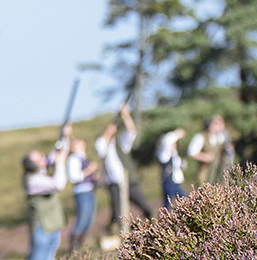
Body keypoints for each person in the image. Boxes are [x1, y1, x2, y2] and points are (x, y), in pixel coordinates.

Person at [19, 133, 69, 260]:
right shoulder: (33, 180)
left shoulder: (39, 173)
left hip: (52, 226)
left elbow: (58, 154)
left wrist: (64, 137)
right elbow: (58, 184)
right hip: (42, 229)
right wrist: (60, 164)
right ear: (32, 165)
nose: (43, 158)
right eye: (38, 158)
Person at [95, 102, 153, 232]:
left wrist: (125, 115)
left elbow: (131, 132)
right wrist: (108, 131)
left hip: (130, 182)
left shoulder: (120, 144)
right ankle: (115, 235)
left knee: (146, 208)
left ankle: (145, 231)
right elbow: (100, 144)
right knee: (117, 214)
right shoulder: (104, 146)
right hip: (115, 184)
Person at [65, 137, 98, 249]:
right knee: (82, 218)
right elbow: (74, 177)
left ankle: (80, 247)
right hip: (82, 191)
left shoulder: (83, 157)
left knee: (89, 220)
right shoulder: (73, 158)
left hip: (89, 190)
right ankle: (74, 247)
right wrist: (89, 170)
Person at [188, 115, 235, 186]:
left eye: (221, 124)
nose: (219, 126)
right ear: (210, 124)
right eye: (216, 124)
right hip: (206, 172)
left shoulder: (223, 137)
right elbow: (191, 153)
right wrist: (205, 157)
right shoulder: (200, 137)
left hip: (220, 173)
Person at [155, 127, 188, 206]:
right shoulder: (164, 154)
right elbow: (167, 141)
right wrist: (176, 134)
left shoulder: (174, 153)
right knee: (168, 204)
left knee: (183, 201)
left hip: (176, 182)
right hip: (169, 182)